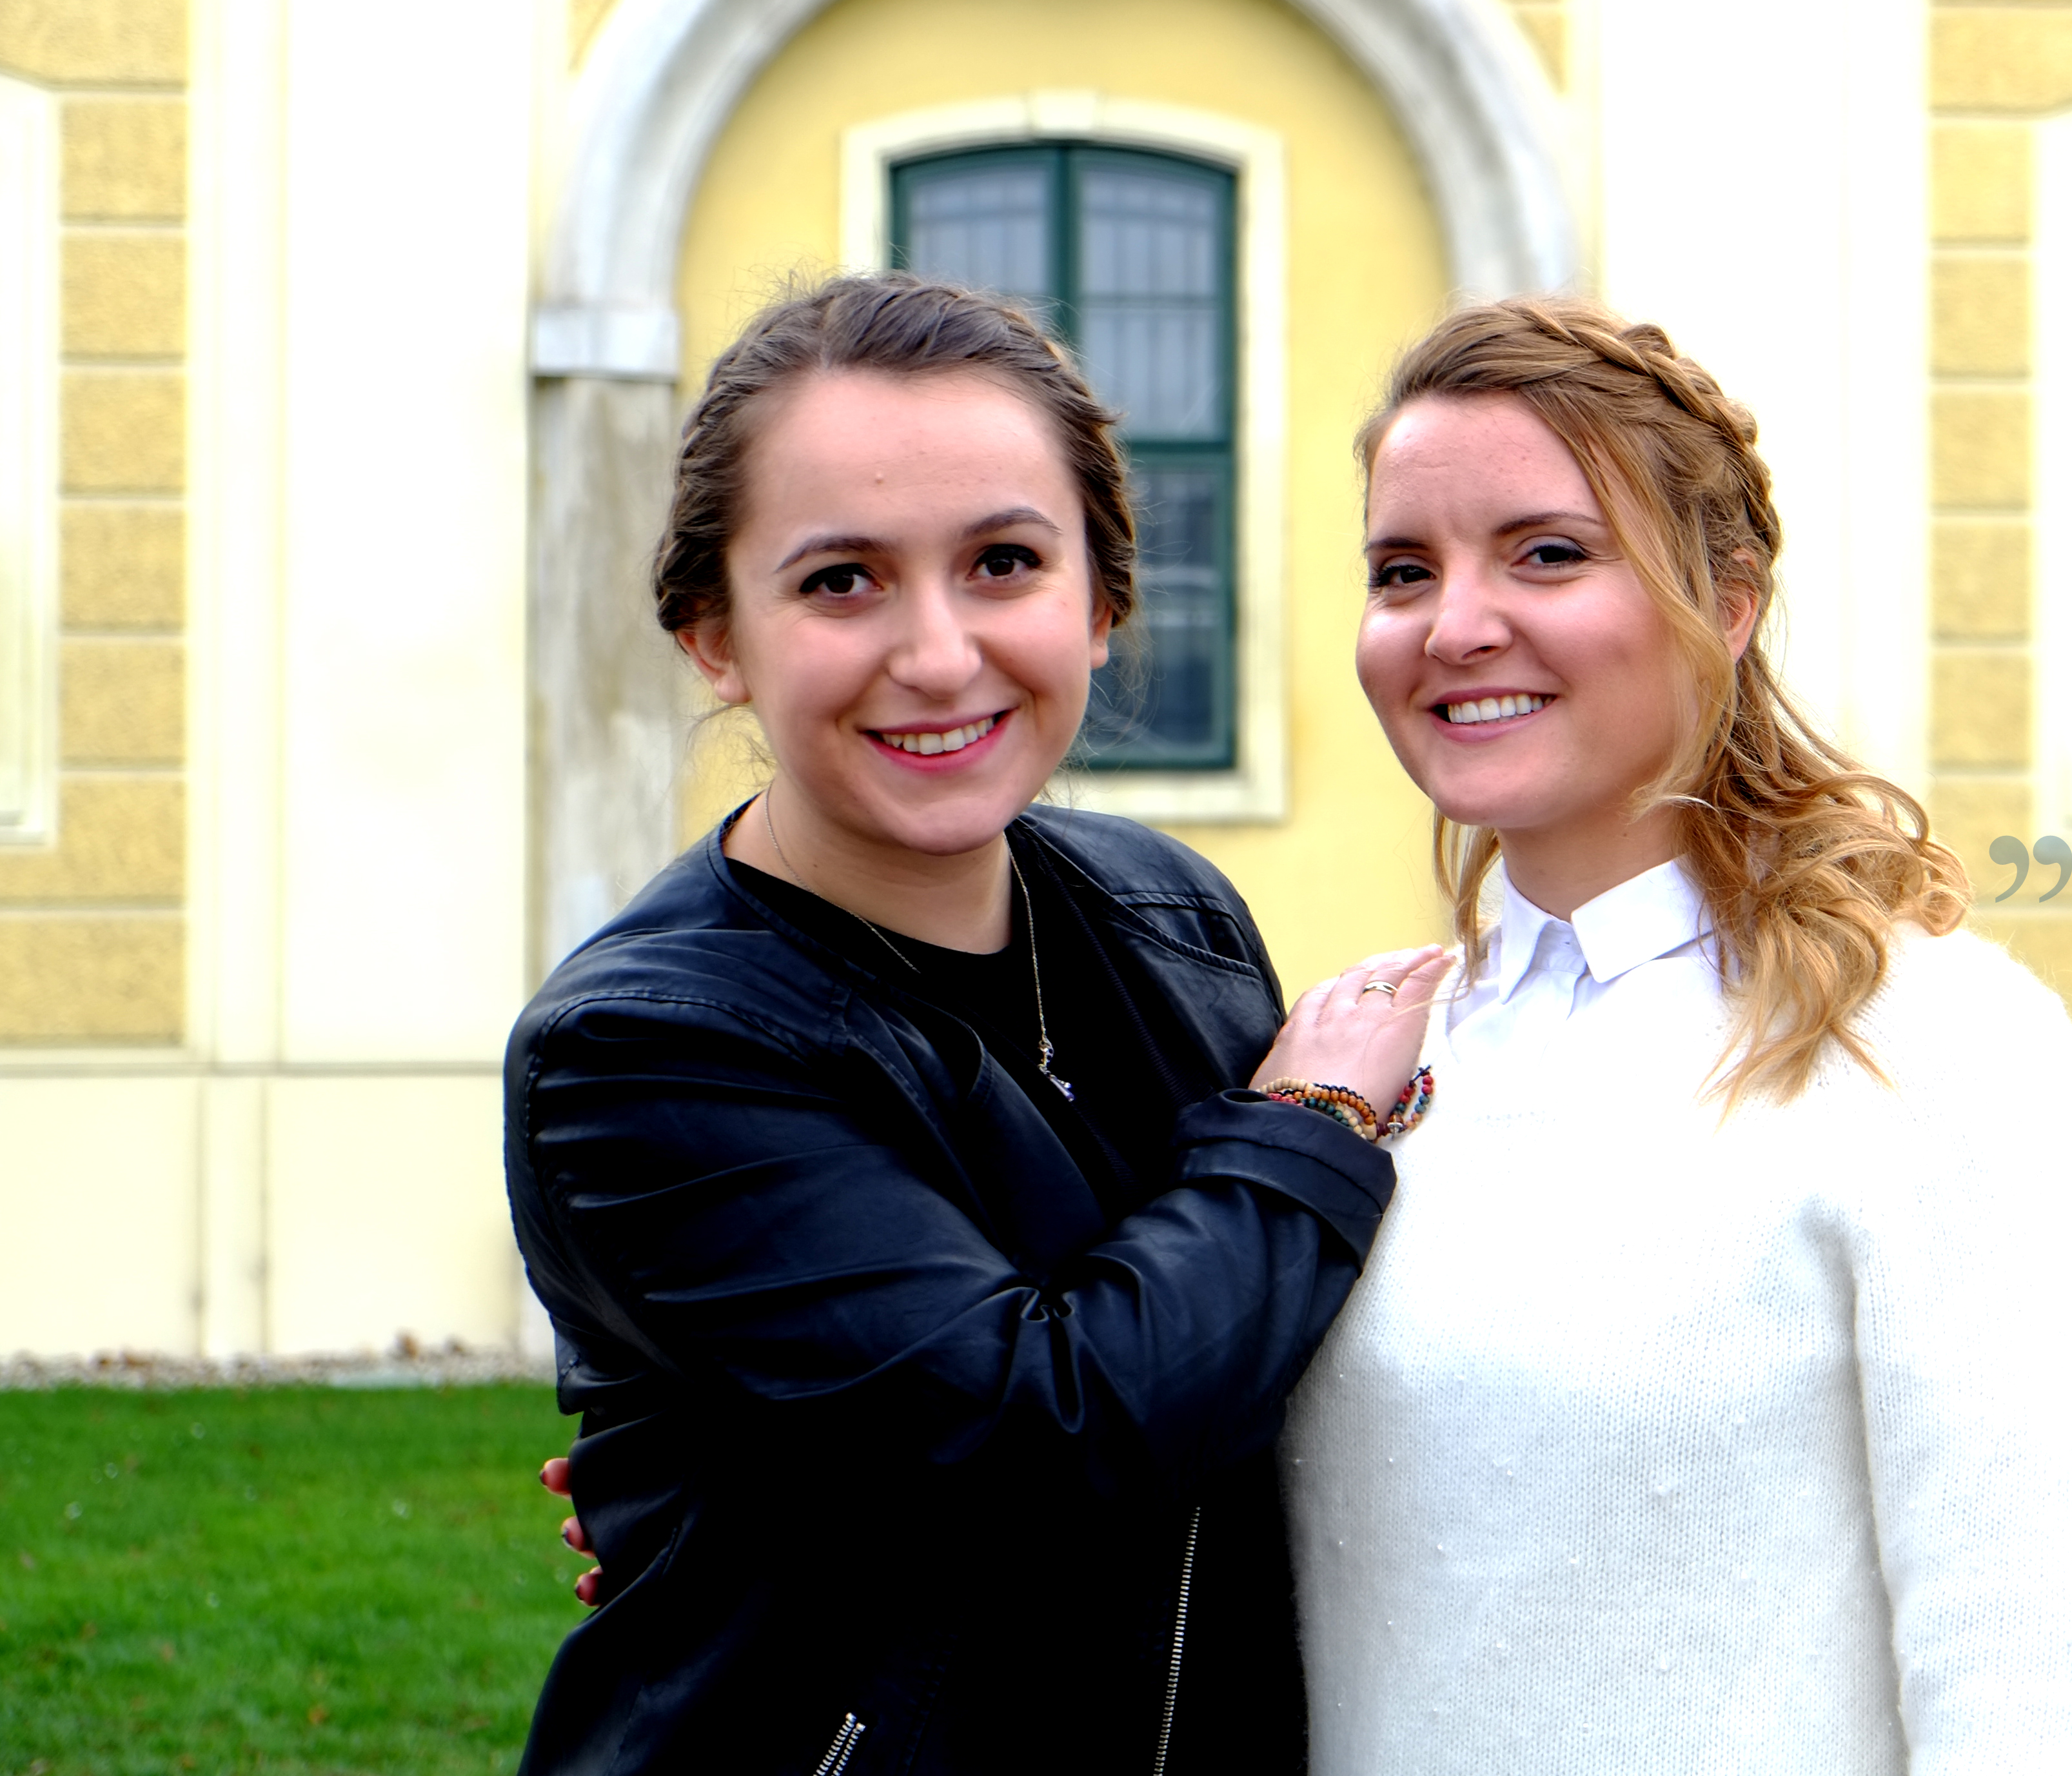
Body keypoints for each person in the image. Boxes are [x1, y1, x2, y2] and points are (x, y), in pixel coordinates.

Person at [504, 273, 1446, 1775]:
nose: (939, 654)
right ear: (714, 633)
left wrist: (734, 1490)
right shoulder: (642, 1047)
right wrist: (1310, 1126)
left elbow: (1261, 1352)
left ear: (1102, 601)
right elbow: (1043, 1438)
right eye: (842, 581)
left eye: (1004, 563)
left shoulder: (1173, 919)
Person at [1277, 297, 2072, 1773]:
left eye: (1548, 553)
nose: (1456, 625)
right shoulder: (1365, 1056)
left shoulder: (1936, 1049)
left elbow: (2026, 1684)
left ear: (1728, 603)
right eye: (1403, 570)